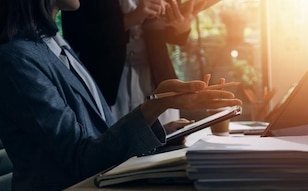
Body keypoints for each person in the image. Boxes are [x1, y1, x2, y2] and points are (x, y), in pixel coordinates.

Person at [0, 0, 242, 189]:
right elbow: (81, 159)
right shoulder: (18, 60)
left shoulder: (54, 45)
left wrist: (159, 131)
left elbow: (101, 137)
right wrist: (152, 108)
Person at [62, 0, 217, 125]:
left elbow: (173, 34)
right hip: (106, 86)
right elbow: (73, 36)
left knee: (164, 153)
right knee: (114, 154)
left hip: (155, 83)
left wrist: (182, 25)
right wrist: (128, 20)